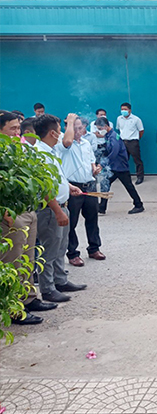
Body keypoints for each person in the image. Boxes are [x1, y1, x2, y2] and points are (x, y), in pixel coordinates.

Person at [0, 111, 58, 323]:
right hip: (9, 214)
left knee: (28, 258)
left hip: (27, 210)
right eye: (12, 128)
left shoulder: (21, 149)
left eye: (18, 128)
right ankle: (14, 308)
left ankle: (29, 298)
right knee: (13, 261)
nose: (17, 132)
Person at [33, 114, 87, 303]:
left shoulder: (50, 150)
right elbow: (44, 187)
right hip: (51, 210)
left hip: (61, 206)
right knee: (49, 250)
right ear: (52, 133)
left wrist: (68, 187)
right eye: (59, 130)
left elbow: (57, 177)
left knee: (60, 247)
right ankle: (48, 289)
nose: (62, 134)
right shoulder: (40, 154)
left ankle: (60, 280)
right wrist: (57, 211)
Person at [59, 116, 105, 267]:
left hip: (89, 184)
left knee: (92, 218)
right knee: (71, 221)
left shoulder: (86, 143)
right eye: (74, 128)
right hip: (73, 186)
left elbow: (91, 161)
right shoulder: (64, 143)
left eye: (80, 128)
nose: (78, 131)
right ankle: (72, 253)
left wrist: (95, 169)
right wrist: (70, 123)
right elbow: (67, 142)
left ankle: (94, 248)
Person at [95, 117, 145, 215]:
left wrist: (102, 164)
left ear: (106, 126)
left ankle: (139, 205)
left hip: (120, 167)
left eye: (100, 129)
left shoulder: (114, 137)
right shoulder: (108, 136)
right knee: (105, 184)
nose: (99, 131)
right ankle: (102, 207)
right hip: (113, 166)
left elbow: (114, 153)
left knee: (128, 186)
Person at [115, 102, 145, 184]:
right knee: (123, 160)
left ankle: (140, 177)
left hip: (133, 142)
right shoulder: (119, 118)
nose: (123, 111)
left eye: (125, 109)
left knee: (137, 160)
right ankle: (125, 176)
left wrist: (136, 139)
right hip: (122, 142)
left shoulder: (136, 119)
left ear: (130, 110)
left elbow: (141, 131)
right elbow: (119, 129)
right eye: (122, 109)